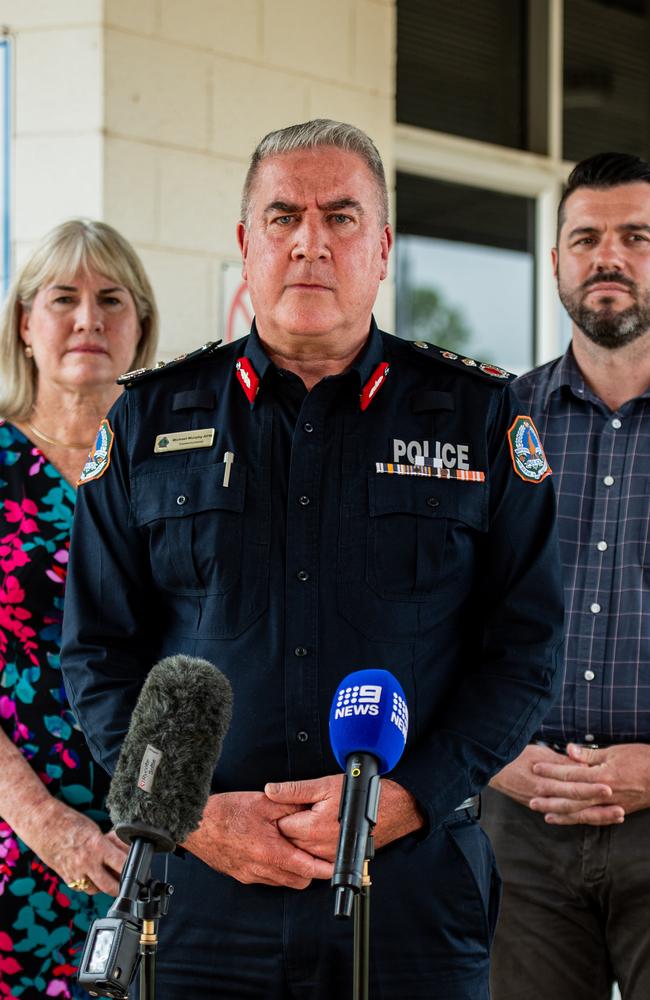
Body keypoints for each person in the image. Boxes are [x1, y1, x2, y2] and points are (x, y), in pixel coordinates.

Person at [61, 119, 563, 1000]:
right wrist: (192, 818)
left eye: (341, 217)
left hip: (411, 892)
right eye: (284, 215)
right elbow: (99, 652)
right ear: (247, 244)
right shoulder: (146, 422)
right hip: (199, 894)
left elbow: (524, 650)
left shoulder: (480, 418)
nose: (310, 242)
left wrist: (407, 798)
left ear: (383, 249)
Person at [481, 151, 650, 1000]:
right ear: (555, 262)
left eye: (635, 236)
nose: (608, 256)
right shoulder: (497, 428)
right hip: (522, 826)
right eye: (585, 237)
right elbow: (435, 615)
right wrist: (492, 757)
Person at [0, 219, 159, 999]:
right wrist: (46, 824)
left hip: (166, 847)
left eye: (111, 299)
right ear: (25, 323)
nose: (89, 319)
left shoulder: (177, 471)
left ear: (141, 327)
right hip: (15, 844)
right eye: (64, 298)